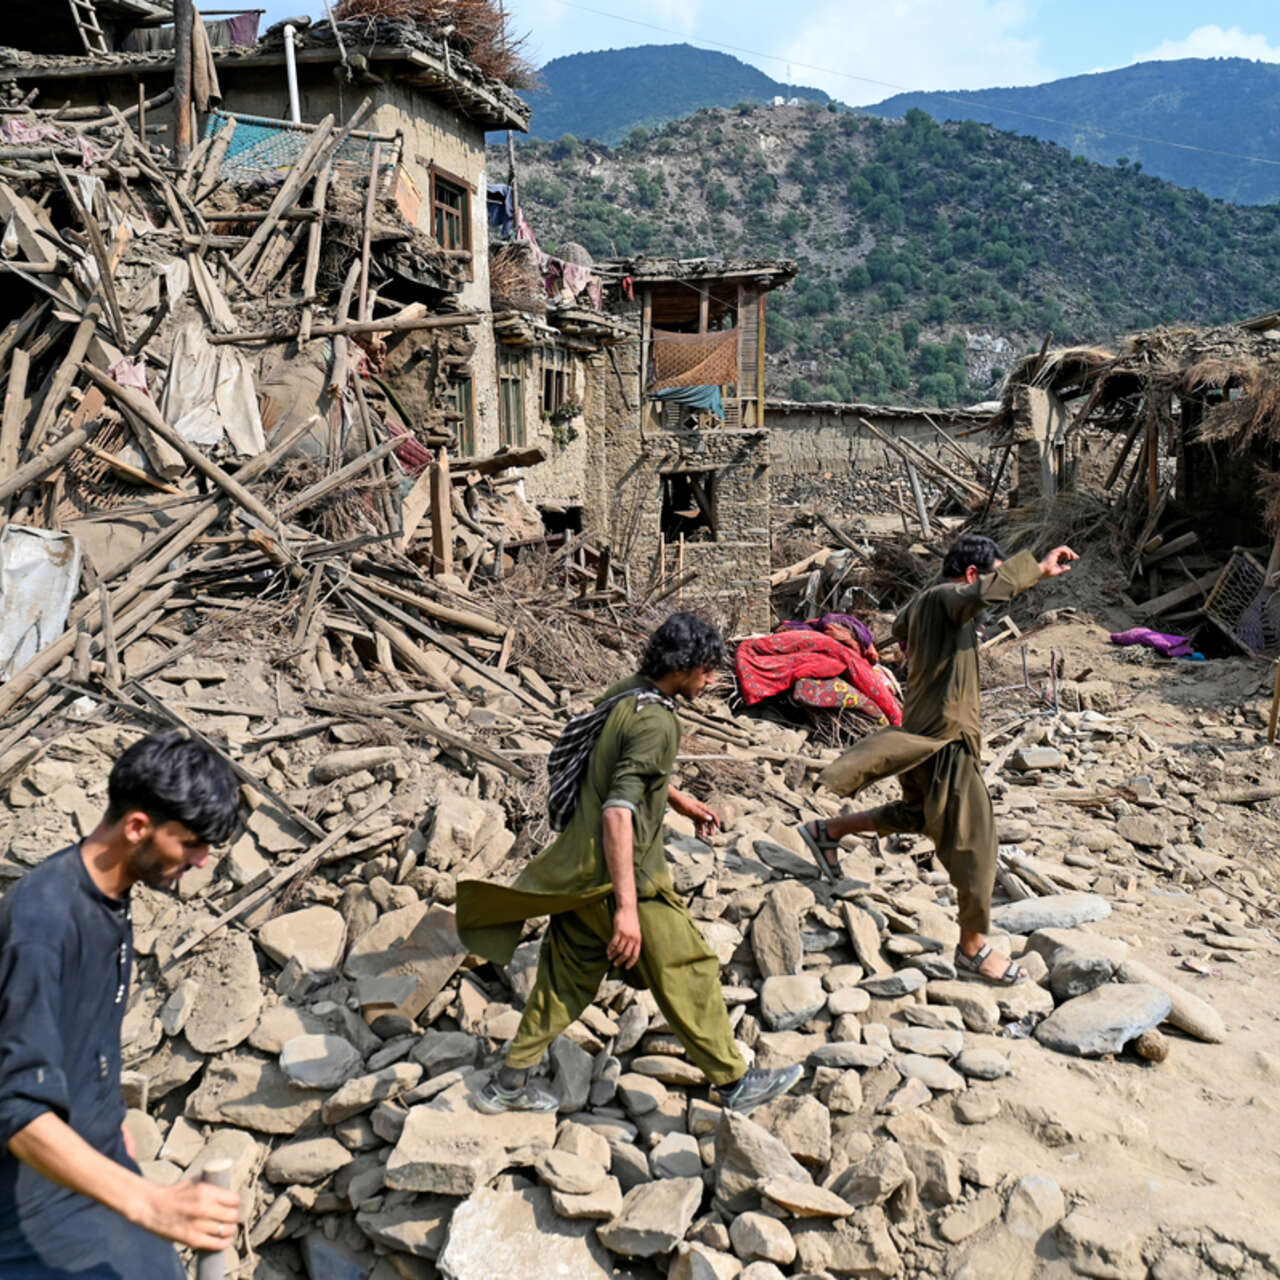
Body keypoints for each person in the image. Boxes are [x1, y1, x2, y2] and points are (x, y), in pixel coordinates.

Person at [457, 612, 802, 1115]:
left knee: (564, 980)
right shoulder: (658, 721)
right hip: (625, 878)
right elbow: (619, 812)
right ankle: (734, 1082)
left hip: (576, 874)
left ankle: (506, 1084)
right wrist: (627, 909)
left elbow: (619, 769)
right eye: (707, 667)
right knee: (689, 967)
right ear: (683, 667)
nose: (712, 676)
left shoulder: (628, 693)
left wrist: (678, 800)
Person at [0, 731, 244, 1278]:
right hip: (28, 1208)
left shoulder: (108, 896)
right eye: (191, 843)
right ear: (138, 827)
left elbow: (80, 1037)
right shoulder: (41, 925)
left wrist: (109, 1119)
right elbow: (17, 1113)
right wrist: (148, 1201)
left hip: (97, 1165)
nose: (203, 861)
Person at [797, 535, 1079, 984]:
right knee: (977, 841)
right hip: (945, 740)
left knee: (918, 815)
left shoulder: (925, 606)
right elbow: (980, 594)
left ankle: (827, 831)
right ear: (970, 576)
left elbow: (902, 630)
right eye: (988, 576)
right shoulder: (947, 598)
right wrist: (1038, 569)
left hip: (924, 733)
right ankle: (972, 950)